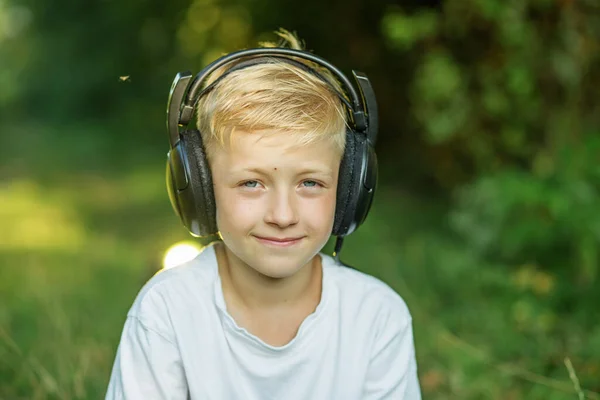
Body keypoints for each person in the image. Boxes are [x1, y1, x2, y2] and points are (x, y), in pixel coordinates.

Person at [105, 29, 421, 399]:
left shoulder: (376, 316)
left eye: (310, 184)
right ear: (199, 190)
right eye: (251, 184)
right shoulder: (167, 311)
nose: (282, 215)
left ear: (350, 187)